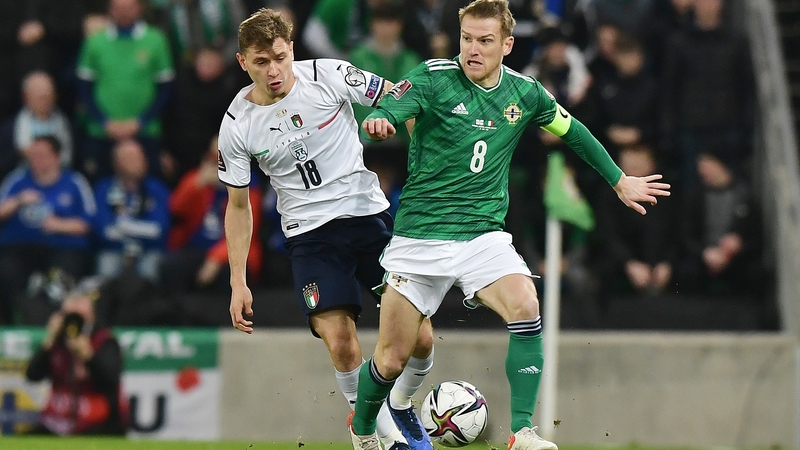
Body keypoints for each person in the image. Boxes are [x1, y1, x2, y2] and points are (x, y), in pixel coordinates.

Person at [349, 1, 671, 450]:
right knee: (391, 358)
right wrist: (382, 119)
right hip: (421, 236)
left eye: (484, 41)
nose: (472, 50)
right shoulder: (434, 76)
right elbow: (394, 106)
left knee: (525, 302)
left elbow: (573, 130)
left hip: (483, 235)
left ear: (507, 44)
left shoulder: (525, 93)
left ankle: (522, 432)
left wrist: (618, 181)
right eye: (467, 39)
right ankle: (362, 432)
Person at [221, 9, 434, 450]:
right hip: (310, 237)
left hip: (368, 219)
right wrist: (237, 279)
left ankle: (400, 404)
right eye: (261, 62)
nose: (274, 70)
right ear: (244, 63)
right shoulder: (236, 125)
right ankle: (369, 435)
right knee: (341, 343)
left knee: (421, 338)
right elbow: (238, 206)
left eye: (279, 57)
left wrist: (410, 141)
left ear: (292, 48)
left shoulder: (330, 74)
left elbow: (398, 98)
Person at [0, 135, 95, 324]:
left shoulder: (75, 182)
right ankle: (11, 322)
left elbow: (88, 224)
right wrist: (18, 201)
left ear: (57, 157)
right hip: (20, 248)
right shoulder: (17, 181)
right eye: (33, 155)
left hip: (62, 247)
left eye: (42, 155)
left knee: (64, 272)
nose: (37, 160)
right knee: (6, 270)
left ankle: (56, 323)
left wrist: (57, 225)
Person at [24, 277, 129, 436]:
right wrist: (48, 343)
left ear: (91, 313)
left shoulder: (104, 341)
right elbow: (32, 375)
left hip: (97, 422)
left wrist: (88, 355)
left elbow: (110, 382)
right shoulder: (57, 342)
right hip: (56, 421)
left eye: (79, 314)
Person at [93, 139, 171, 282]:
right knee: (106, 267)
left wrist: (122, 226)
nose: (138, 162)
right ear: (116, 163)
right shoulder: (104, 188)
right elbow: (103, 230)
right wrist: (141, 229)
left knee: (149, 270)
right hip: (115, 250)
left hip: (148, 251)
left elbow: (159, 230)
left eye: (140, 157)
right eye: (130, 158)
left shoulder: (156, 189)